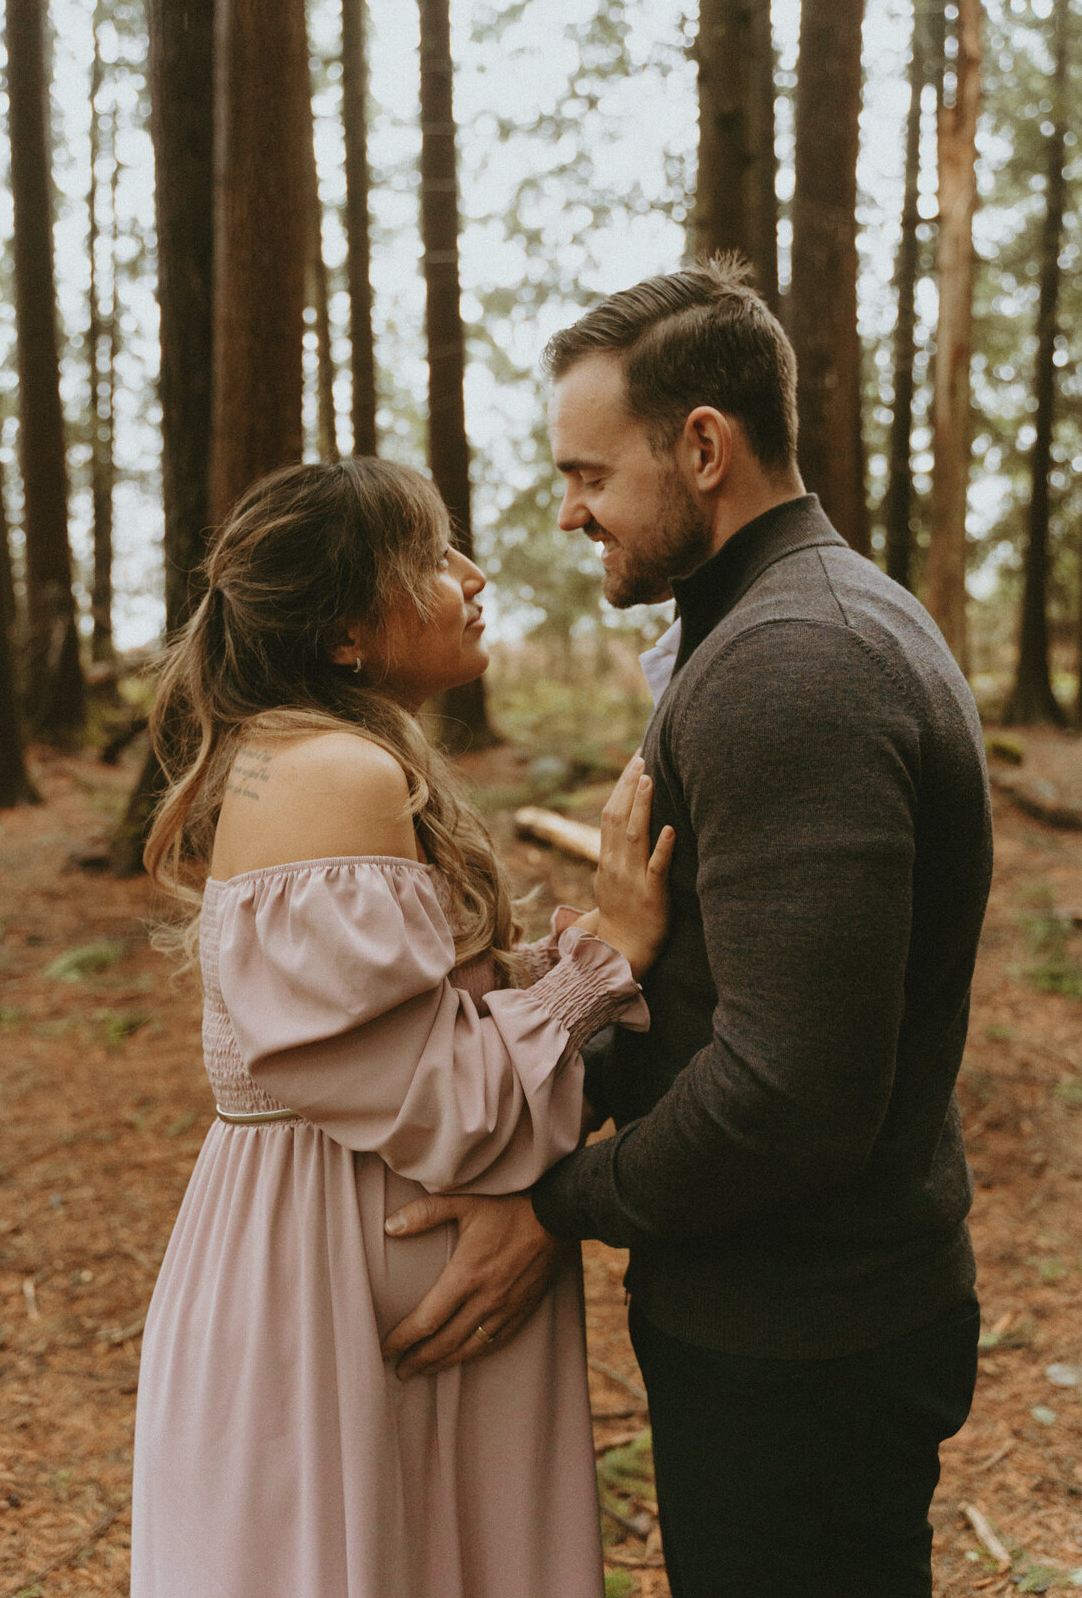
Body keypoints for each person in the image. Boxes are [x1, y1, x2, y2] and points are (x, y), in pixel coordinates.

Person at [381, 259, 993, 1598]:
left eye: (592, 474)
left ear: (702, 446)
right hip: (798, 1311)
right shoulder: (786, 626)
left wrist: (557, 1206)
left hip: (806, 1339)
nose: (567, 511)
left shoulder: (794, 665)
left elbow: (793, 1091)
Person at [129, 456, 674, 1598]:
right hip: (328, 1289)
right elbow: (443, 1099)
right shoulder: (335, 772)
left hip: (361, 1281)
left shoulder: (334, 756)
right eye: (428, 559)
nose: (471, 576)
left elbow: (405, 1029)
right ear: (344, 637)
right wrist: (599, 962)